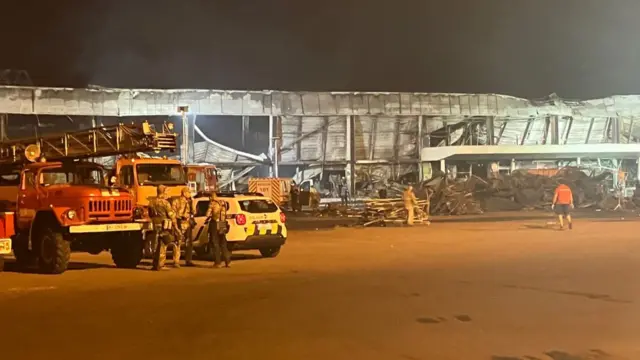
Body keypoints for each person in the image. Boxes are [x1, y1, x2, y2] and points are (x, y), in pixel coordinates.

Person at [149, 185, 180, 270]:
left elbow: (150, 214)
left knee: (155, 244)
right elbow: (171, 216)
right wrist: (176, 227)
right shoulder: (165, 203)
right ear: (163, 192)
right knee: (162, 244)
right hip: (164, 225)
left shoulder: (152, 202)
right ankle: (160, 265)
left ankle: (154, 264)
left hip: (155, 225)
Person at [205, 192, 231, 268]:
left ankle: (218, 263)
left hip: (215, 223)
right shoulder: (223, 202)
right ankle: (228, 261)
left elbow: (207, 214)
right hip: (222, 223)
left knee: (215, 243)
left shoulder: (212, 203)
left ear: (211, 197)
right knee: (223, 243)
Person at [173, 187, 195, 267]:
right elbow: (173, 212)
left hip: (188, 223)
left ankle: (188, 260)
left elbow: (194, 212)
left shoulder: (190, 202)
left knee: (189, 243)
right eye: (189, 192)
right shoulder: (177, 201)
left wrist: (192, 204)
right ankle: (176, 261)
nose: (190, 194)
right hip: (180, 223)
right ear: (184, 193)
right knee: (178, 242)